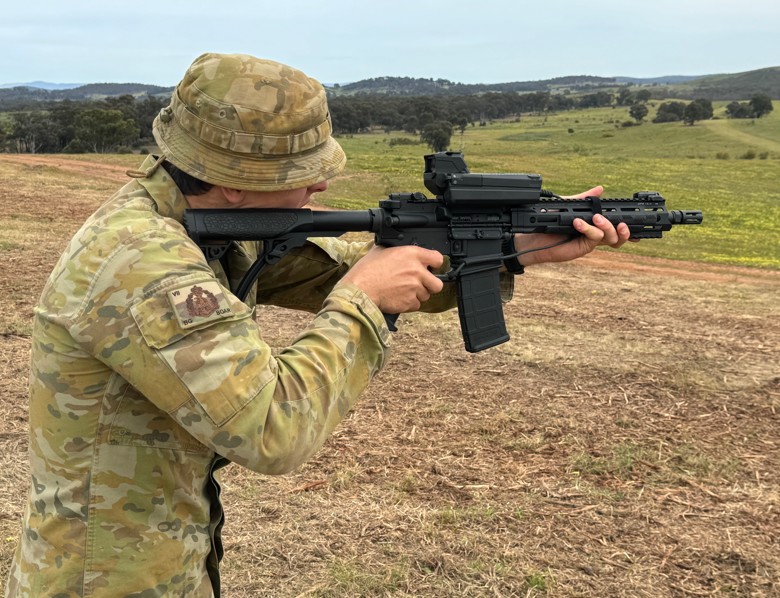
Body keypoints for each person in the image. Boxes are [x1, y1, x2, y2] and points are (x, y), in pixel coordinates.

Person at [4, 52, 630, 598]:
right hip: (105, 579)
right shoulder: (143, 263)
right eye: (301, 173)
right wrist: (364, 304)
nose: (323, 182)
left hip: (154, 556)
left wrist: (509, 247)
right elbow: (271, 428)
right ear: (233, 186)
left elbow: (337, 268)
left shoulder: (194, 219)